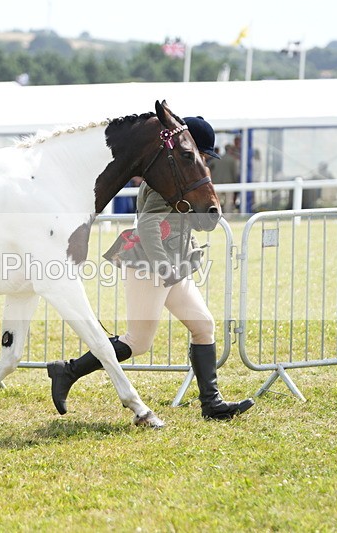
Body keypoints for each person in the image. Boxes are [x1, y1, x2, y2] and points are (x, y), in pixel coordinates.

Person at [46, 116, 255, 421]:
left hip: (174, 263)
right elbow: (147, 224)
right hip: (150, 264)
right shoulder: (164, 179)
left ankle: (212, 404)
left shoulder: (184, 175)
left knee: (203, 326)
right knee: (138, 341)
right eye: (202, 155)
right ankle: (67, 371)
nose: (203, 161)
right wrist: (162, 266)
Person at [209, 143, 240, 213]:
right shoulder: (232, 160)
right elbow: (234, 173)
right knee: (228, 202)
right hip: (229, 182)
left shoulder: (216, 158)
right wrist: (236, 182)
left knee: (217, 201)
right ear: (231, 150)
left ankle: (217, 215)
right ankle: (228, 217)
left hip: (216, 182)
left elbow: (208, 167)